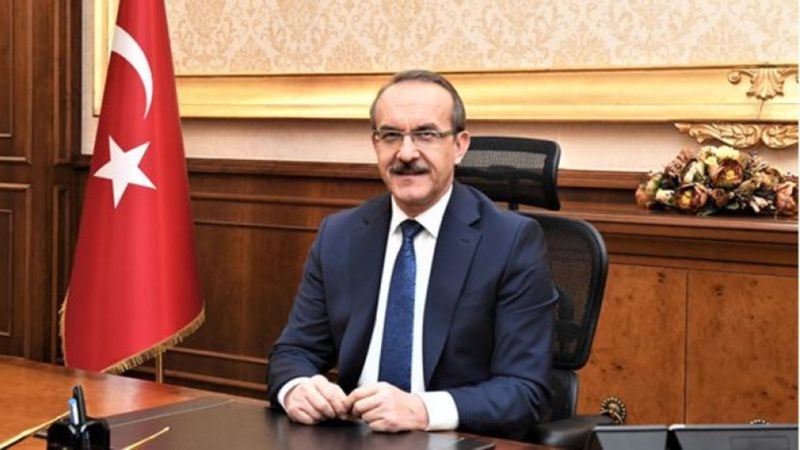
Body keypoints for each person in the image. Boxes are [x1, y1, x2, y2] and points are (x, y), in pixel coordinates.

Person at [267, 69, 557, 440]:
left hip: (451, 439)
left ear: (460, 145)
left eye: (426, 134)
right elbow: (293, 352)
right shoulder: (339, 235)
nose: (406, 153)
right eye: (391, 135)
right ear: (375, 144)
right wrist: (296, 388)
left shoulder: (511, 241)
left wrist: (421, 410)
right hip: (353, 438)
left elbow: (525, 391)